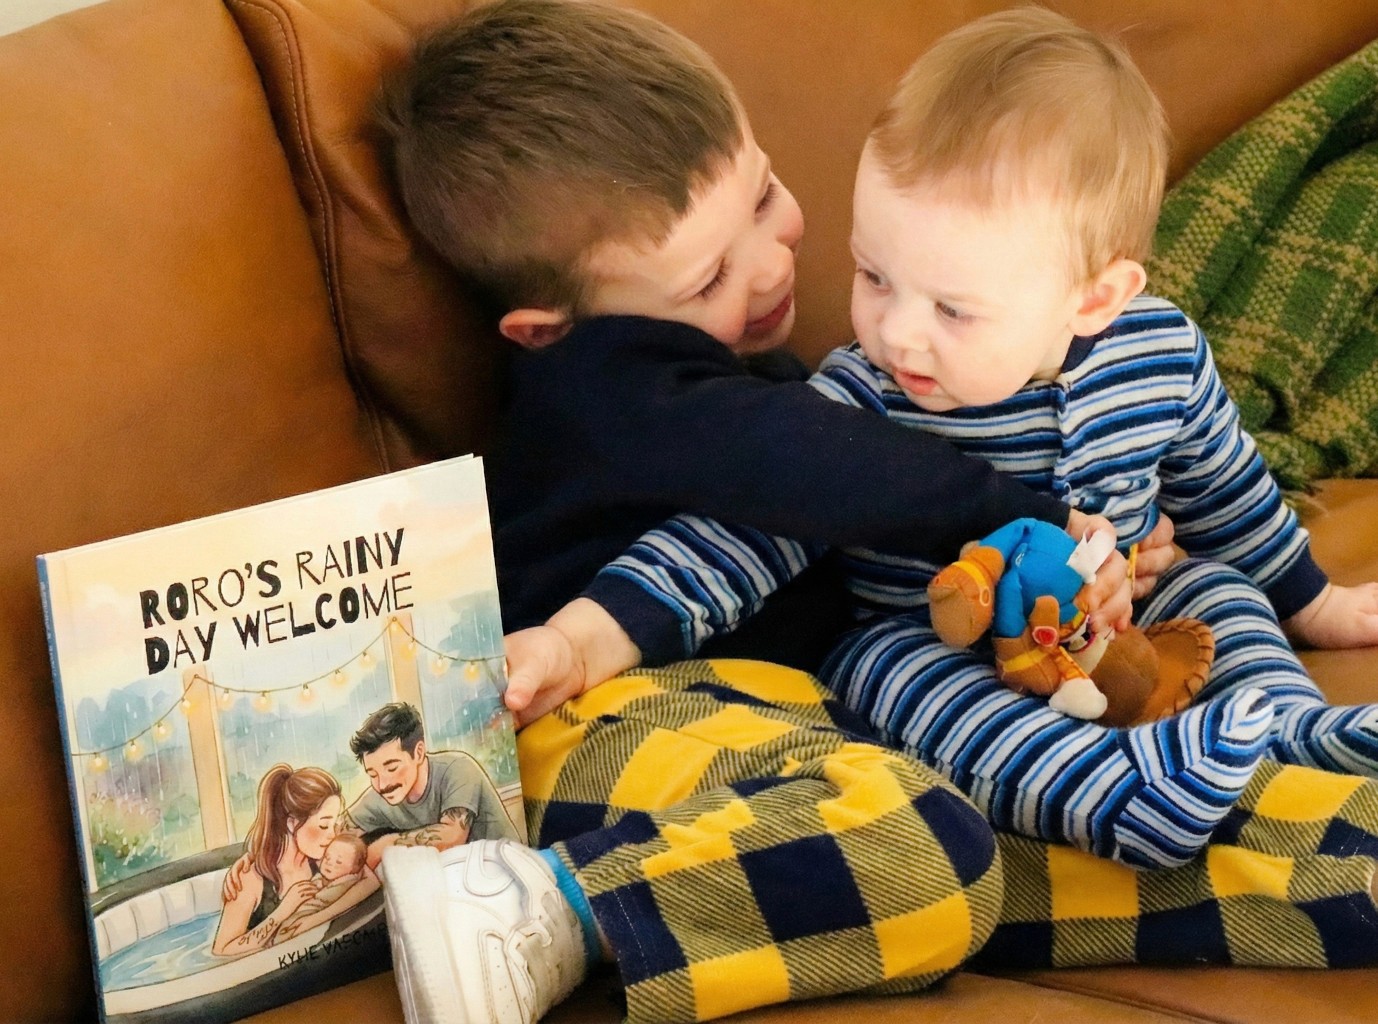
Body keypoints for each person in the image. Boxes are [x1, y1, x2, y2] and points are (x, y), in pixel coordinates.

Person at [373, 4, 1377, 1024]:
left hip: (792, 736)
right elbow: (782, 504)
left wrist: (1223, 569)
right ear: (552, 331)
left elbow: (1214, 481)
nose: (775, 266)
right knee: (923, 835)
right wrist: (1050, 521)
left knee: (972, 852)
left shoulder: (766, 384)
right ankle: (536, 909)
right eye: (711, 274)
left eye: (765, 197)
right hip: (603, 707)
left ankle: (1326, 833)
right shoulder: (614, 389)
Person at [211, 764, 378, 956]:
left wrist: (312, 921)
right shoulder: (250, 878)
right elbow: (222, 950)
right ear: (291, 823)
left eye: (335, 824)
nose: (332, 835)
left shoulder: (324, 857)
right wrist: (284, 910)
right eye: (324, 825)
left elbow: (370, 881)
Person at [342, 702, 521, 866]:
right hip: (449, 877)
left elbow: (452, 836)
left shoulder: (459, 769)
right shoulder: (378, 797)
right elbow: (337, 833)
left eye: (392, 768)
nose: (382, 784)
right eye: (372, 774)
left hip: (505, 866)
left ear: (419, 753)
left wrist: (386, 845)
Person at [276, 833, 370, 941]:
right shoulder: (318, 879)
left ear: (355, 869)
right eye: (327, 857)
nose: (329, 863)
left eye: (338, 862)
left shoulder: (345, 886)